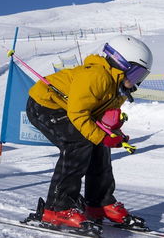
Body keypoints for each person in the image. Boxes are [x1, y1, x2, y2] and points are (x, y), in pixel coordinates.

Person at [26, 35, 153, 229]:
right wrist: (101, 136)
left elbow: (100, 117)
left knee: (99, 146)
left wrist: (113, 134)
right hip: (45, 105)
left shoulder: (118, 88)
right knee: (77, 143)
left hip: (71, 109)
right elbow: (78, 113)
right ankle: (58, 208)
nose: (137, 81)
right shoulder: (96, 76)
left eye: (141, 76)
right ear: (121, 63)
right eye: (136, 74)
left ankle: (99, 203)